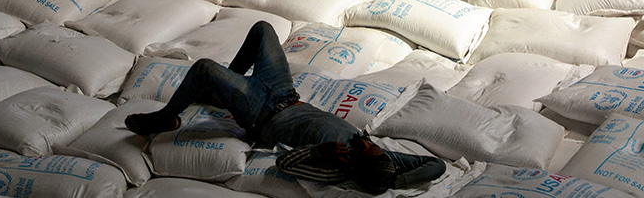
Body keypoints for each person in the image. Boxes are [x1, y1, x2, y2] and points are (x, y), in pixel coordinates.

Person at [125, 21, 446, 194]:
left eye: (364, 148)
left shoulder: (335, 164)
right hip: (286, 94)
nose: (365, 141)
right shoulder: (383, 161)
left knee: (204, 68)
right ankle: (224, 89)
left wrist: (320, 154)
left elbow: (285, 164)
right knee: (263, 29)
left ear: (355, 164)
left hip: (261, 113)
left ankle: (165, 119)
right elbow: (435, 165)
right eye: (371, 146)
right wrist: (395, 180)